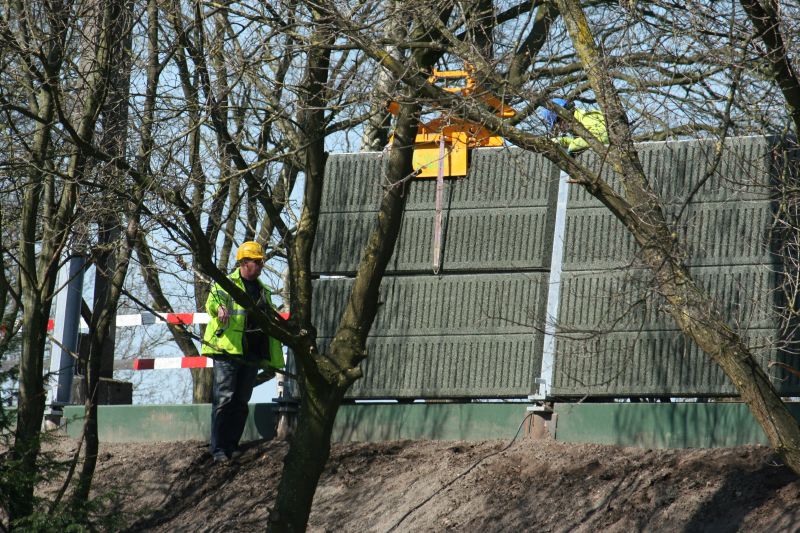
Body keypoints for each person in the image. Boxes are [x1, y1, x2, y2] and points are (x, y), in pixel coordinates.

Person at [202, 241, 284, 463]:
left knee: (240, 402)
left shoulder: (262, 291)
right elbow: (212, 302)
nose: (260, 266)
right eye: (256, 262)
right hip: (228, 350)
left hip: (251, 353)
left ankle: (232, 445)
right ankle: (218, 448)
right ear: (244, 262)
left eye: (261, 262)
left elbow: (270, 318)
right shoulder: (225, 284)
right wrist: (219, 309)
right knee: (224, 399)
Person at [541, 98, 608, 153]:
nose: (559, 129)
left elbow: (601, 136)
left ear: (562, 117)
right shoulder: (577, 126)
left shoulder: (586, 117)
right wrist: (562, 141)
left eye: (557, 125)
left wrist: (574, 145)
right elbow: (585, 139)